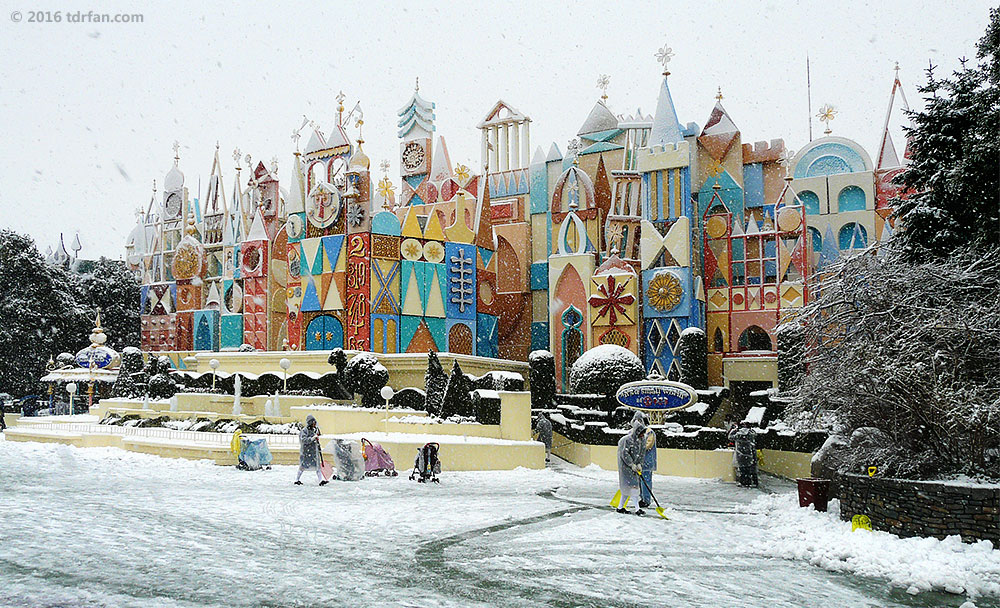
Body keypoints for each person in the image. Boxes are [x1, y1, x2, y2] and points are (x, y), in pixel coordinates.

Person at [616, 412, 647, 515]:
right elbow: (624, 454)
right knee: (633, 487)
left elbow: (642, 453)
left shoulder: (642, 440)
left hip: (633, 467)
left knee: (629, 488)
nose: (642, 435)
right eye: (641, 433)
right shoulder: (626, 440)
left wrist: (639, 464)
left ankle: (620, 507)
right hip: (626, 467)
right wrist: (631, 464)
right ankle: (637, 509)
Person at [296, 415, 327, 486]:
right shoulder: (304, 431)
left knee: (317, 466)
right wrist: (312, 438)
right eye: (313, 422)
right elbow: (304, 440)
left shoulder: (314, 430)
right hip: (306, 452)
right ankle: (297, 480)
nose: (315, 424)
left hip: (313, 452)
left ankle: (320, 480)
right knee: (302, 466)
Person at [729, 421, 759, 488]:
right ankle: (751, 482)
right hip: (750, 454)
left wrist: (735, 430)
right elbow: (755, 435)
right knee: (750, 469)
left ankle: (744, 483)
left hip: (740, 455)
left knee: (742, 470)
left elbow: (730, 437)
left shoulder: (738, 434)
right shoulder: (750, 433)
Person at [639, 421, 657, 509]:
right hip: (640, 461)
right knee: (640, 481)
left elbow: (648, 445)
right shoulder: (640, 432)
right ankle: (642, 498)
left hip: (647, 462)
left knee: (645, 481)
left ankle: (646, 500)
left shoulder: (649, 432)